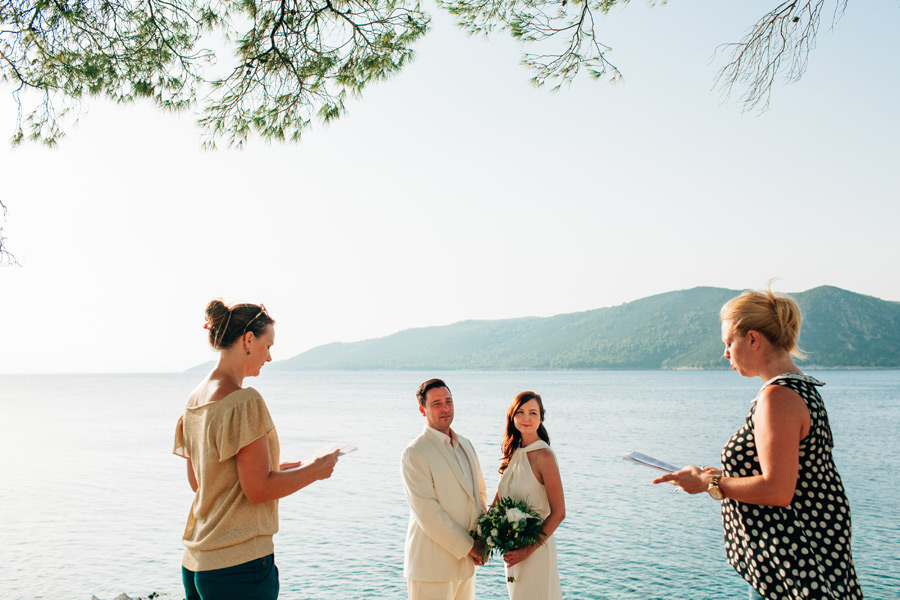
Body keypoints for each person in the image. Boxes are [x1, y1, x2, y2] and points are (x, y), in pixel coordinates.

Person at [652, 287, 864, 600]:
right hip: (804, 559)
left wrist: (710, 482)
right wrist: (723, 476)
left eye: (728, 343)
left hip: (792, 569)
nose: (725, 353)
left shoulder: (777, 398)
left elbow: (777, 489)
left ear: (753, 339)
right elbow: (795, 473)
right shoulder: (801, 390)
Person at [173, 299, 340, 600]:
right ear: (248, 339)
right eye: (268, 346)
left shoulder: (194, 401)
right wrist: (316, 471)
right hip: (239, 566)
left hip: (198, 563)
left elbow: (200, 482)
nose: (270, 357)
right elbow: (258, 490)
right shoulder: (243, 401)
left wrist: (275, 470)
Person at [401, 378, 488, 600]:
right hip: (431, 569)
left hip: (466, 566)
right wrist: (469, 547)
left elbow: (479, 497)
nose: (445, 408)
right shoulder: (415, 452)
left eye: (448, 401)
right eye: (437, 403)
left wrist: (483, 538)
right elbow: (427, 512)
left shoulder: (466, 445)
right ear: (423, 410)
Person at [496, 391, 565, 600]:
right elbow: (498, 502)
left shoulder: (545, 456)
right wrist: (483, 538)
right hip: (513, 552)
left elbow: (559, 512)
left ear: (541, 418)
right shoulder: (513, 452)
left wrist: (527, 550)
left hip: (535, 551)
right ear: (512, 416)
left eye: (533, 413)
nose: (526, 418)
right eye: (521, 412)